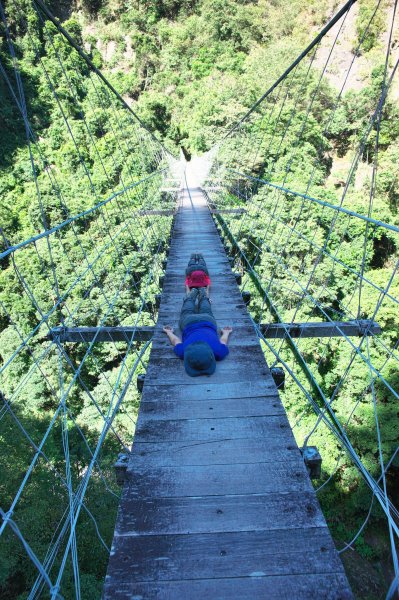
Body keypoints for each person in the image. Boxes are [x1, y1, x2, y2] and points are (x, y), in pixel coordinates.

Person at [163, 255, 232, 376]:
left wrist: (226, 332)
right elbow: (175, 341)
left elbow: (223, 341)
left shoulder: (219, 352)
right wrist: (169, 332)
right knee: (188, 307)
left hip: (208, 322)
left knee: (205, 305)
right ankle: (193, 294)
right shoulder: (183, 352)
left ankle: (201, 293)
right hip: (189, 323)